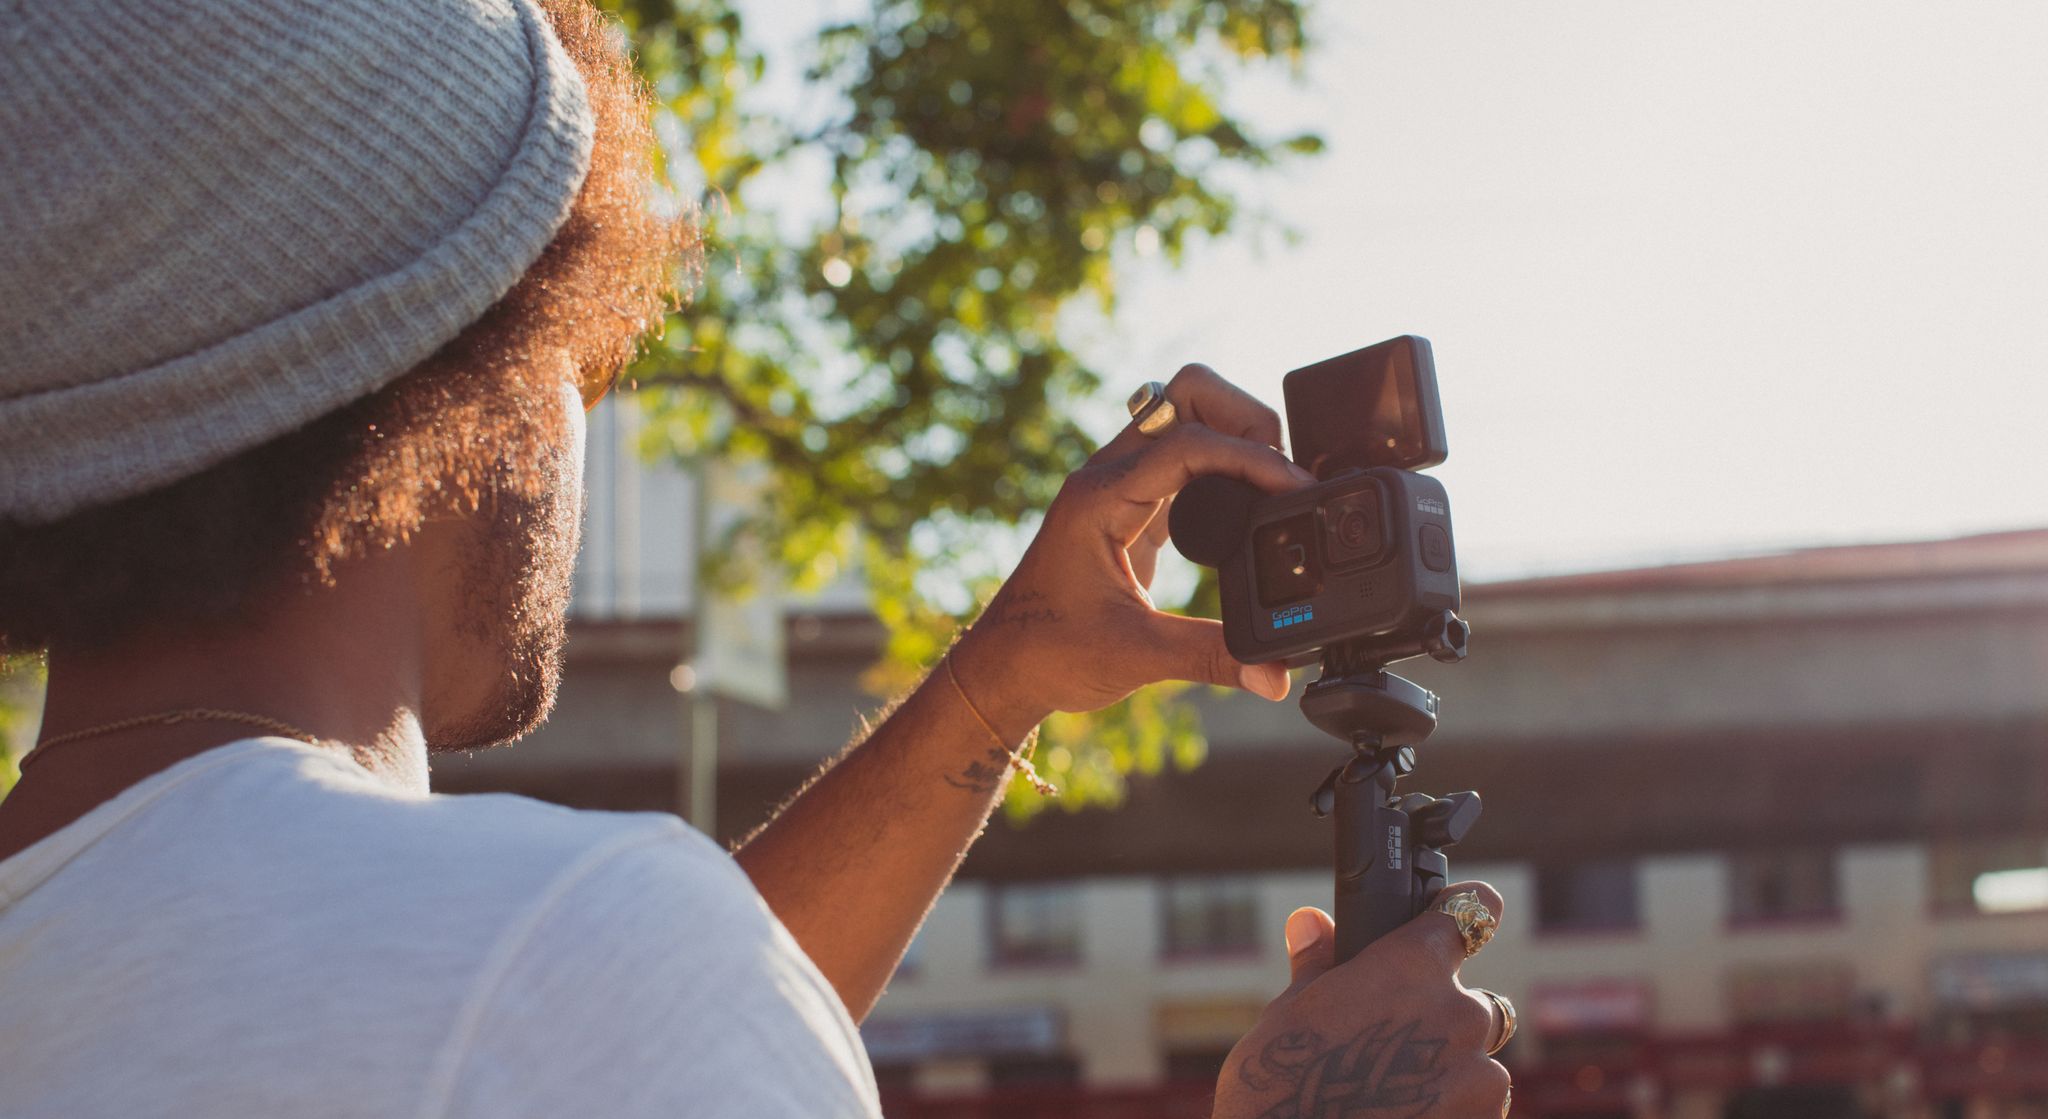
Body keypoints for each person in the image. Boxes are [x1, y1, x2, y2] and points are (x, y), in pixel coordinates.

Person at [0, 1, 1514, 1116]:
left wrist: (990, 700)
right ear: (473, 371)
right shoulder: (569, 952)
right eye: (585, 356)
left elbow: (586, 1025)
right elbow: (581, 999)